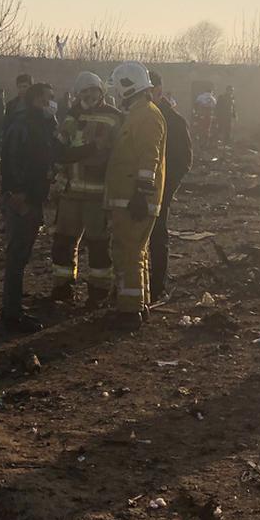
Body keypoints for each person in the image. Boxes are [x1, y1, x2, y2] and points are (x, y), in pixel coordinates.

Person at [0, 81, 95, 332]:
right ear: (35, 101)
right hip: (22, 200)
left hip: (34, 197)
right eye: (47, 99)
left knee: (22, 253)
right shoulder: (22, 126)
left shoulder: (45, 125)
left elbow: (60, 153)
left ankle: (14, 308)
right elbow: (10, 161)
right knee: (17, 255)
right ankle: (11, 313)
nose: (52, 103)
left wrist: (92, 148)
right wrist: (16, 194)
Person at [104, 61, 167, 330]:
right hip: (130, 198)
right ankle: (139, 304)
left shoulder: (147, 116)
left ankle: (129, 312)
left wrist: (142, 193)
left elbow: (148, 156)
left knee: (128, 252)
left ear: (127, 86)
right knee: (134, 253)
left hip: (134, 199)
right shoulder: (139, 113)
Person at [49, 72, 121, 306]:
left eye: (93, 90)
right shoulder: (72, 115)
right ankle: (63, 287)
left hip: (97, 194)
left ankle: (99, 291)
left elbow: (112, 154)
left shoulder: (114, 117)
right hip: (70, 192)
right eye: (84, 92)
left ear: (102, 92)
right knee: (63, 241)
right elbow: (60, 146)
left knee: (98, 244)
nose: (89, 95)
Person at [148, 71, 193, 301]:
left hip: (159, 190)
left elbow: (184, 160)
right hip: (137, 188)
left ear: (158, 90)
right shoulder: (139, 116)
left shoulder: (173, 121)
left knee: (156, 236)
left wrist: (165, 189)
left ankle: (156, 286)